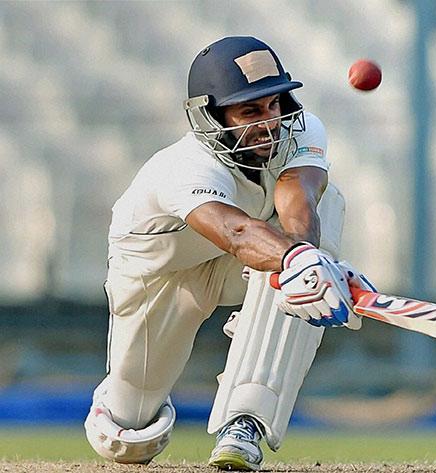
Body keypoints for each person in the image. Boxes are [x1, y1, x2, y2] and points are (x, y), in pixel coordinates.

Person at [84, 36, 374, 470]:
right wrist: (298, 262)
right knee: (127, 436)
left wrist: (310, 265)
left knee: (323, 217)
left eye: (274, 105)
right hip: (159, 276)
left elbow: (301, 200)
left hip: (238, 263)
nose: (269, 122)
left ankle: (245, 423)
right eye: (249, 111)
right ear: (211, 116)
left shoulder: (304, 129)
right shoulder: (183, 167)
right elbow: (234, 231)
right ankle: (120, 411)